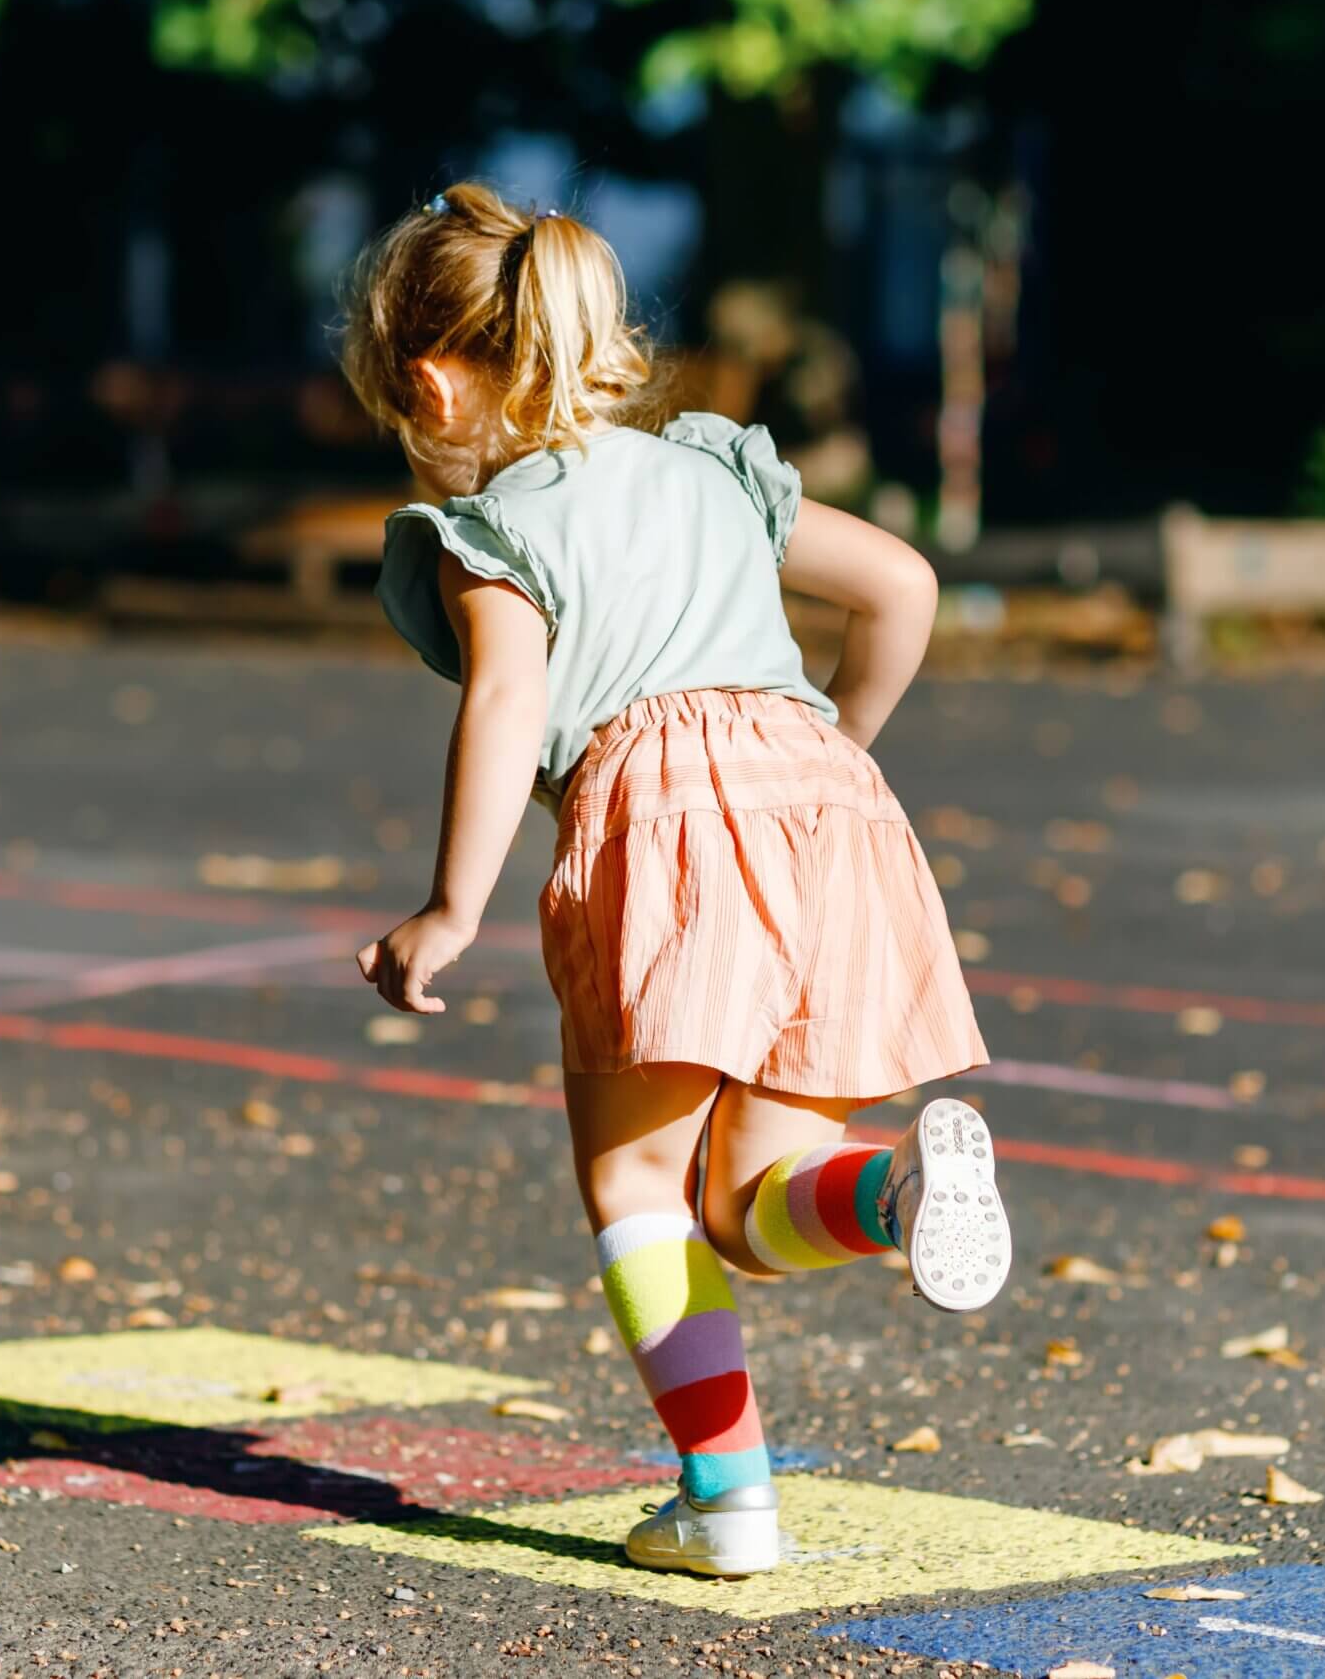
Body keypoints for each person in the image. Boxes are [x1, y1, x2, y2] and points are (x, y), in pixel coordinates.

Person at [341, 184, 1002, 1579]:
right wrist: (825, 752)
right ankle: (890, 1198)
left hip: (666, 822)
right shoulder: (712, 469)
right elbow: (902, 588)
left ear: (433, 378)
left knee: (636, 1182)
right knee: (749, 1208)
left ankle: (728, 1498)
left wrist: (451, 905)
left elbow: (510, 699)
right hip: (829, 807)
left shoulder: (494, 533)